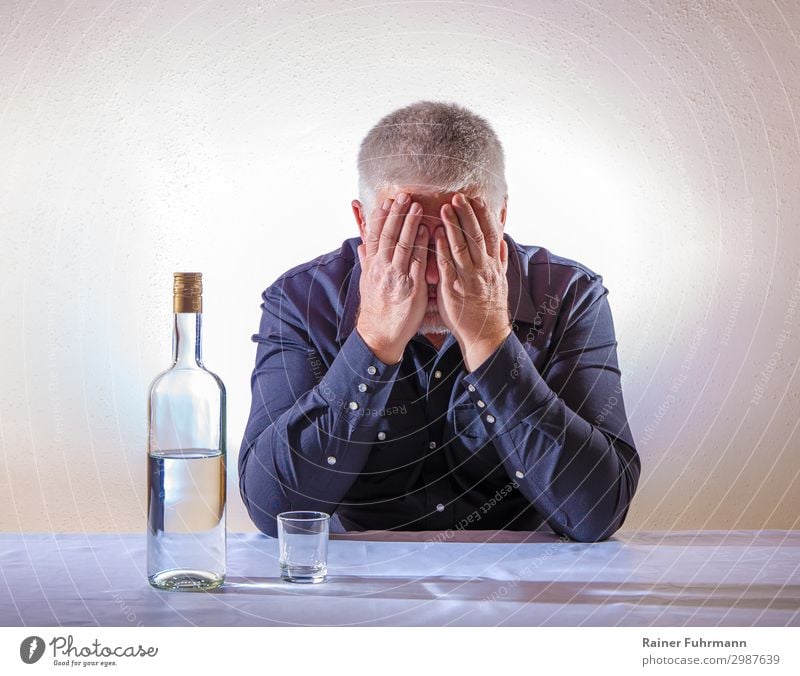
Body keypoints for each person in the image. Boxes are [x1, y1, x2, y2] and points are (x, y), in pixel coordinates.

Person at [238, 100, 640, 542]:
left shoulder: (567, 296)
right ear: (363, 221)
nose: (432, 274)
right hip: (360, 587)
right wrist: (373, 339)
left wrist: (489, 339)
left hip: (525, 587)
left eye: (456, 239)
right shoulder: (301, 300)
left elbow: (597, 513)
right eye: (407, 240)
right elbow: (273, 509)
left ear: (500, 217)